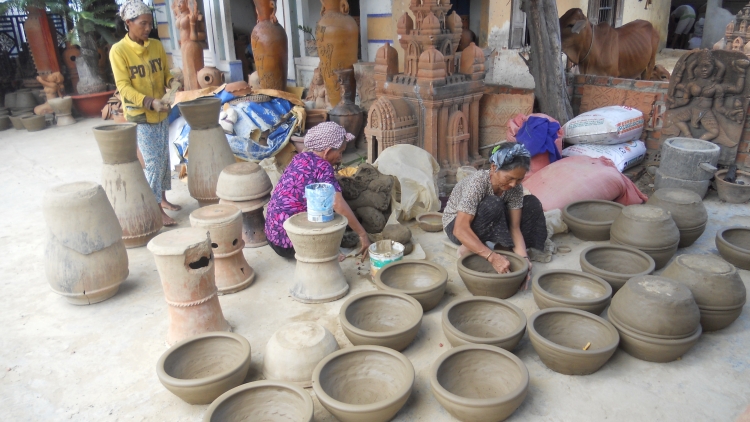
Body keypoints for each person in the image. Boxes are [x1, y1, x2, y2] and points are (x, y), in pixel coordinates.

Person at [110, 0, 182, 226]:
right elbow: (123, 87)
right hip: (141, 115)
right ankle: (154, 210)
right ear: (128, 23)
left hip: (161, 111)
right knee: (152, 163)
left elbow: (163, 74)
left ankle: (162, 199)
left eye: (150, 23)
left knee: (163, 158)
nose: (148, 27)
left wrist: (172, 82)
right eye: (143, 23)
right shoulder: (118, 51)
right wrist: (149, 102)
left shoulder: (156, 46)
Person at [265, 122, 371, 259]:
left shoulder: (300, 157)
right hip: (292, 244)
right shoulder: (323, 166)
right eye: (340, 152)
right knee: (329, 208)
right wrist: (362, 234)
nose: (341, 157)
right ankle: (322, 251)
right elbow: (337, 203)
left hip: (272, 236)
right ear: (326, 152)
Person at [442, 143, 547, 282]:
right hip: (456, 225)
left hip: (490, 217)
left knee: (531, 203)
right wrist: (492, 257)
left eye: (519, 179)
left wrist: (524, 260)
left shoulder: (515, 187)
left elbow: (514, 228)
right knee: (493, 204)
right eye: (509, 178)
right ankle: (467, 247)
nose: (513, 184)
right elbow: (459, 229)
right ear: (493, 168)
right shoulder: (478, 182)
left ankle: (502, 247)